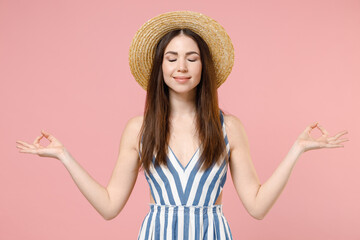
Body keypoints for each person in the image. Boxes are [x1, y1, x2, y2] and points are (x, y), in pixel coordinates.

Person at [15, 11, 349, 240]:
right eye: (171, 58)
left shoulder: (228, 128)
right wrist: (64, 156)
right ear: (160, 66)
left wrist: (297, 149)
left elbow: (257, 206)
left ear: (204, 66)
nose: (182, 67)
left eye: (192, 57)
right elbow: (109, 205)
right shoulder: (139, 129)